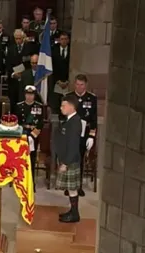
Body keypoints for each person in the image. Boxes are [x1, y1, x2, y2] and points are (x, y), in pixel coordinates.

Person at [63, 74, 97, 197]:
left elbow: (93, 118)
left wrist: (92, 136)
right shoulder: (69, 97)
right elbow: (64, 116)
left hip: (85, 132)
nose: (79, 87)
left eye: (81, 85)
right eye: (77, 84)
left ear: (86, 85)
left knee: (80, 159)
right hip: (72, 132)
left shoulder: (92, 99)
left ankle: (78, 186)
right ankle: (69, 186)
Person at [55, 94, 82, 223]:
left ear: (71, 107)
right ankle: (72, 211)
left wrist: (65, 163)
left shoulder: (75, 122)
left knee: (72, 188)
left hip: (71, 161)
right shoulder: (69, 120)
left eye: (63, 105)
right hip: (67, 159)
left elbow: (73, 145)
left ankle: (75, 214)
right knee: (70, 188)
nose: (61, 108)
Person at [16, 85, 45, 190]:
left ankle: (31, 182)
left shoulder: (39, 106)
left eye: (31, 94)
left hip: (34, 135)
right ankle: (20, 181)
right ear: (25, 94)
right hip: (22, 134)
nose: (29, 96)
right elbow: (16, 122)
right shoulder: (19, 106)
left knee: (31, 159)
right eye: (28, 94)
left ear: (34, 95)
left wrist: (33, 135)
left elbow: (41, 123)